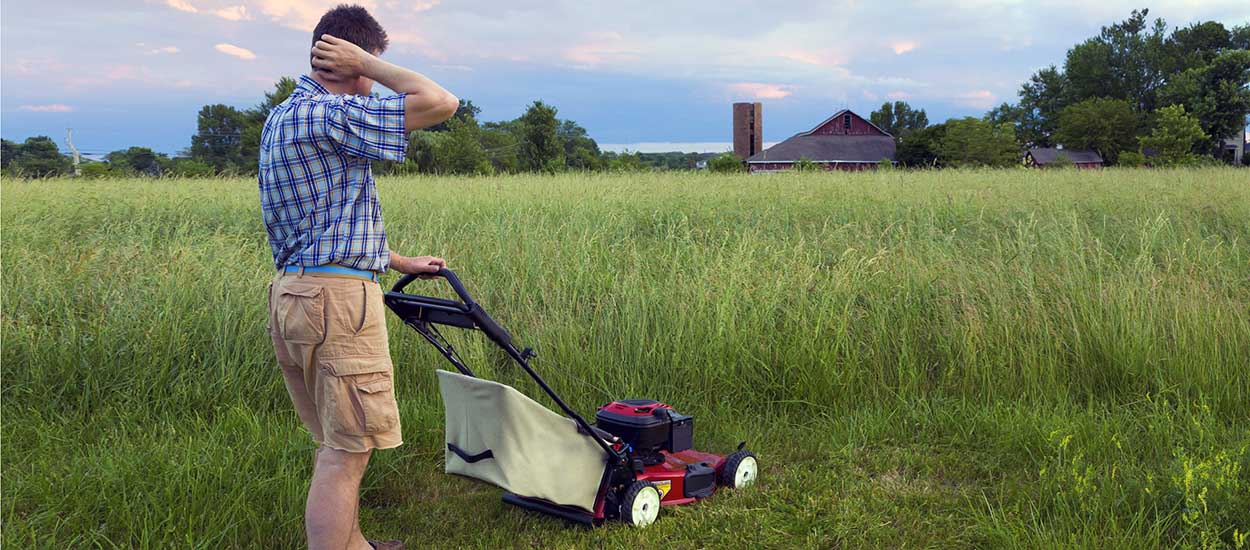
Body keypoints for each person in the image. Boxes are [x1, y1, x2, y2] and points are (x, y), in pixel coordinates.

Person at [259, 5, 458, 549]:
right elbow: (442, 103)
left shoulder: (285, 116)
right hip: (336, 300)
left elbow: (321, 219)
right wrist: (368, 62)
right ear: (350, 60)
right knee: (348, 450)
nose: (373, 77)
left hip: (297, 290)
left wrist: (397, 261)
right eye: (369, 64)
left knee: (338, 439)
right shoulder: (326, 114)